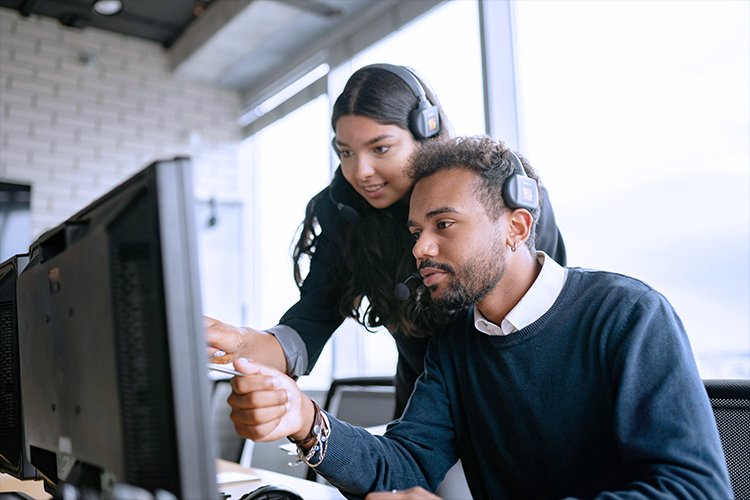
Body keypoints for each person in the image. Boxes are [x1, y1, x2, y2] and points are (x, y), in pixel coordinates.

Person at [225, 135, 733, 500]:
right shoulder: (455, 345)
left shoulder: (627, 316)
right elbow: (406, 462)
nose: (421, 247)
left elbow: (695, 489)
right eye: (416, 230)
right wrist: (307, 421)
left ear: (516, 226)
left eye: (444, 224)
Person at [206, 64, 566, 416]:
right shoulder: (344, 213)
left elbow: (552, 315)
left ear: (426, 134)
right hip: (422, 417)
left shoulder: (504, 200)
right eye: (346, 152)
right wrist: (239, 343)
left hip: (514, 404)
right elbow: (309, 323)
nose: (360, 172)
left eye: (380, 149)